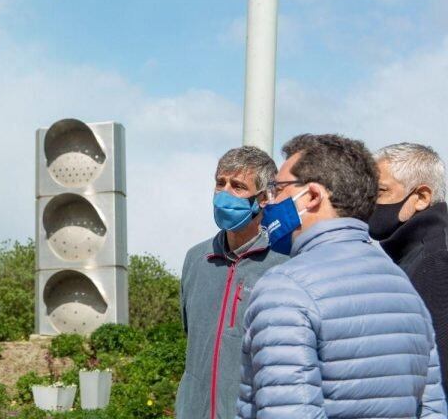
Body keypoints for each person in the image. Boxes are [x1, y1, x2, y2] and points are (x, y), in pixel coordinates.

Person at [237, 134, 447, 419]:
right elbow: (433, 409)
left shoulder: (285, 289)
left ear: (311, 196)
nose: (268, 202)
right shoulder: (403, 286)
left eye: (277, 188)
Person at [176, 146, 286, 419]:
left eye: (238, 186)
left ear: (262, 199)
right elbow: (193, 336)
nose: (224, 194)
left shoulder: (284, 263)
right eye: (220, 183)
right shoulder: (197, 258)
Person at [371, 142, 448, 396]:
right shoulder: (409, 255)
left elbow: (437, 377)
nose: (370, 204)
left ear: (422, 198)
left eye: (380, 191)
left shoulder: (435, 261)